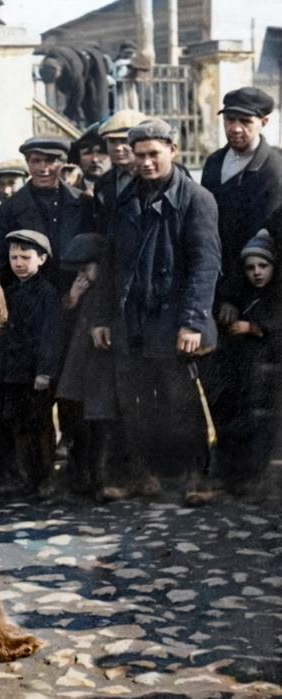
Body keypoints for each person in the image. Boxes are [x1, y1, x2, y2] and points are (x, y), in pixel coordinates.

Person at [89, 119, 221, 505]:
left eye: (154, 154)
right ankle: (140, 476)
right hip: (132, 323)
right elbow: (111, 266)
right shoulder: (126, 200)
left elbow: (205, 264)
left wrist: (193, 322)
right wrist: (101, 318)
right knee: (134, 404)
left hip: (175, 321)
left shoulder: (196, 199)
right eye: (139, 155)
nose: (146, 163)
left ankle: (199, 478)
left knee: (182, 405)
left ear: (173, 151)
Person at [208, 232, 280, 500]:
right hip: (243, 372)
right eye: (251, 268)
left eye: (263, 266)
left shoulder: (274, 296)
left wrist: (254, 328)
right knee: (235, 421)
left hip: (266, 375)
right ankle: (233, 477)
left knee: (260, 429)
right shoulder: (242, 294)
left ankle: (256, 480)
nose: (257, 273)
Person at [0, 230, 60, 496]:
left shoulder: (47, 294)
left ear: (41, 259)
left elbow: (50, 336)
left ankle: (46, 477)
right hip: (12, 372)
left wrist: (45, 371)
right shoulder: (7, 293)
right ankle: (26, 476)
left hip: (34, 374)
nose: (18, 263)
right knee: (18, 425)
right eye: (13, 257)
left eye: (25, 257)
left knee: (39, 425)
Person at [54, 233, 118, 501]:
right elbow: (63, 320)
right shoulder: (81, 291)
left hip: (101, 370)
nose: (82, 276)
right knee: (77, 425)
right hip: (77, 367)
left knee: (101, 425)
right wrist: (73, 297)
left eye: (86, 270)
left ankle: (101, 479)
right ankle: (79, 477)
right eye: (77, 271)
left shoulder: (110, 290)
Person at [200, 88, 282, 291]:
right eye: (230, 119)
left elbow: (261, 242)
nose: (235, 128)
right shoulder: (214, 162)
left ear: (263, 122)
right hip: (213, 274)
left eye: (245, 121)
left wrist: (234, 295)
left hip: (249, 283)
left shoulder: (273, 169)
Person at [0, 136, 84, 291]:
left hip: (75, 295)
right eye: (36, 161)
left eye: (51, 161)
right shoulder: (8, 209)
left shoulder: (82, 201)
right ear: (28, 163)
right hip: (29, 300)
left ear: (63, 163)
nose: (43, 168)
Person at [93, 109, 147, 235]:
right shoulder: (103, 183)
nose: (118, 148)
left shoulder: (160, 176)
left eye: (125, 141)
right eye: (112, 141)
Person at [69, 126, 110, 194]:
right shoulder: (68, 192)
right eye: (87, 153)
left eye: (101, 153)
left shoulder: (124, 190)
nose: (94, 159)